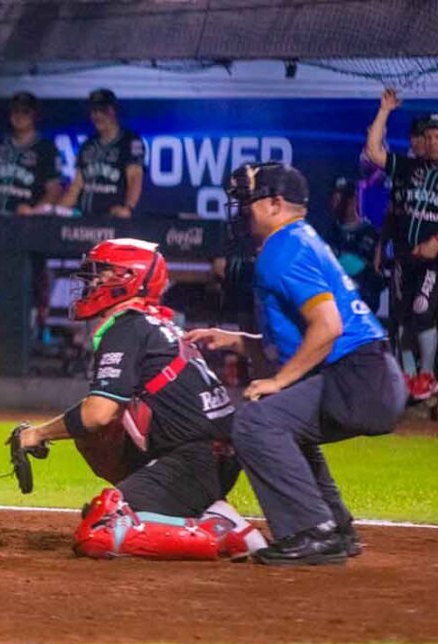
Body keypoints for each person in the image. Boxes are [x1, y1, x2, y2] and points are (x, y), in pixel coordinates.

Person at [186, 162, 405, 566]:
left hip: (356, 377)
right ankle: (334, 529)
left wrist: (279, 381)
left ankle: (311, 531)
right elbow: (305, 336)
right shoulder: (298, 239)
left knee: (255, 421)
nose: (242, 211)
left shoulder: (282, 248)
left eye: (248, 201)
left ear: (275, 203)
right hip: (368, 372)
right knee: (281, 421)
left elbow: (328, 326)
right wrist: (237, 341)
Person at [6, 238, 264, 561]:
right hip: (213, 456)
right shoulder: (154, 323)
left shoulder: (127, 327)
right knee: (96, 436)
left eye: (102, 273)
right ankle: (199, 510)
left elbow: (97, 414)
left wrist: (38, 434)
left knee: (100, 530)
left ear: (129, 278)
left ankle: (220, 532)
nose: (93, 283)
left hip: (193, 461)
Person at [365, 92, 438, 401]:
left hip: (432, 262)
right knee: (402, 317)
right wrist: (384, 111)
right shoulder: (409, 168)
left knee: (422, 310)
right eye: (429, 137)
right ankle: (408, 377)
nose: (432, 143)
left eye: (437, 138)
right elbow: (373, 153)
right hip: (405, 257)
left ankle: (428, 373)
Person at [59, 88, 145, 218]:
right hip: (84, 219)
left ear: (114, 111)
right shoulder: (88, 144)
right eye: (94, 111)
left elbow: (135, 177)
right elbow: (76, 186)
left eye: (103, 111)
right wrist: (56, 211)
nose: (98, 116)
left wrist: (128, 208)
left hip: (113, 219)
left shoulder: (130, 142)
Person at [0, 91, 62, 215]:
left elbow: (54, 190)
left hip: (26, 220)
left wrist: (35, 212)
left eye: (25, 112)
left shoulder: (46, 148)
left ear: (34, 115)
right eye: (15, 111)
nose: (19, 116)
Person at [327, 177, 382, 314]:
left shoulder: (369, 233)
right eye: (334, 198)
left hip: (361, 305)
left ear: (353, 200)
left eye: (341, 198)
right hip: (335, 306)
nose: (336, 203)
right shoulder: (330, 233)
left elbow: (361, 267)